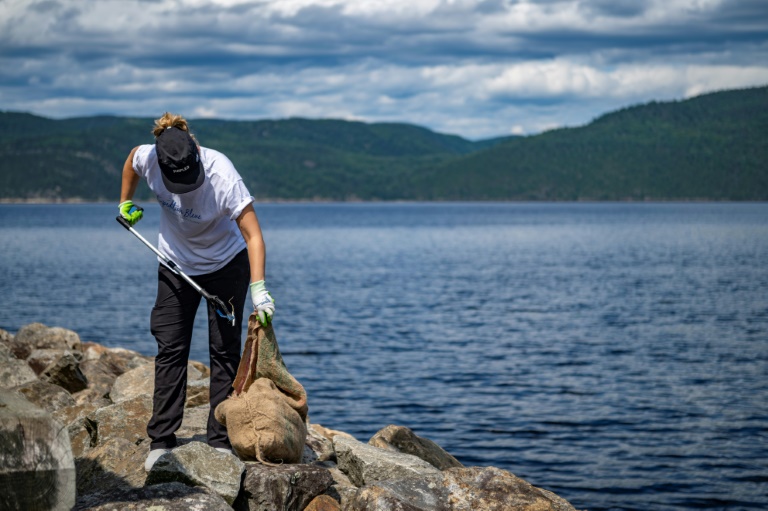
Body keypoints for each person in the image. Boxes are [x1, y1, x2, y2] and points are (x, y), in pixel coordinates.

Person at [118, 112, 276, 471]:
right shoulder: (149, 157)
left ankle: (219, 440)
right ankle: (161, 440)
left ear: (197, 153)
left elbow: (253, 236)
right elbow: (130, 159)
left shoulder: (222, 174)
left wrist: (259, 289)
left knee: (223, 351)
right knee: (171, 347)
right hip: (174, 265)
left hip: (225, 265)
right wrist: (124, 201)